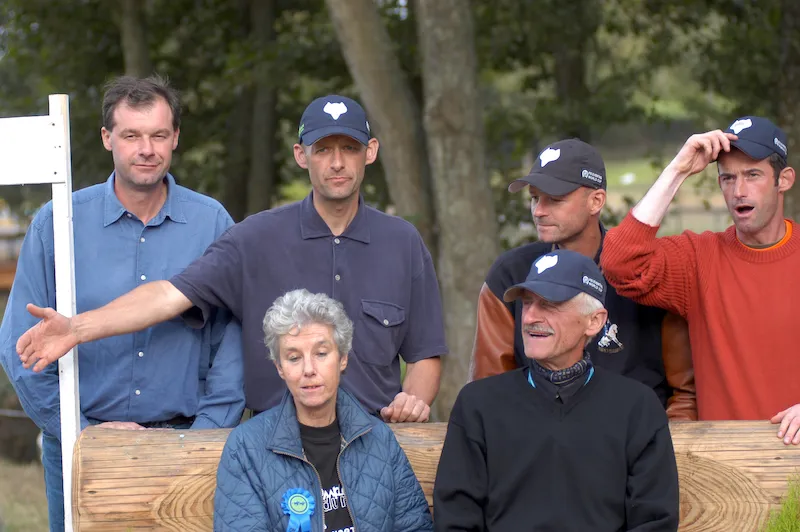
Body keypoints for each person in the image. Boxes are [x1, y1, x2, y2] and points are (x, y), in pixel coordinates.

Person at [15, 95, 446, 423]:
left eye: (349, 148)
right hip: (276, 453)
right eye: (323, 149)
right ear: (301, 155)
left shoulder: (403, 243)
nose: (337, 163)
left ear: (371, 151)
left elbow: (425, 353)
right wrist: (78, 328)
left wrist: (413, 402)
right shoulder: (254, 238)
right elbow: (168, 295)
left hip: (375, 444)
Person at [0, 75, 244, 532]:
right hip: (82, 446)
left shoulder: (212, 224)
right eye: (131, 135)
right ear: (107, 138)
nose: (146, 149)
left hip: (186, 443)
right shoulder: (58, 223)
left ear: (175, 138)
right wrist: (79, 430)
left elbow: (234, 341)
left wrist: (204, 435)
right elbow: (19, 346)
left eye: (158, 135)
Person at [434, 249, 679, 531]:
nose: (530, 317)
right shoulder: (478, 404)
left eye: (549, 305)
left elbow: (655, 521)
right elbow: (455, 520)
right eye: (527, 303)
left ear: (594, 321)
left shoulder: (637, 407)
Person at [600, 116, 800, 444]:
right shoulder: (698, 259)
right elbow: (620, 264)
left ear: (784, 180)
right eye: (727, 178)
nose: (738, 191)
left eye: (753, 175)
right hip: (722, 464)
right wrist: (677, 171)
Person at [470, 138, 696, 419]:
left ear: (596, 201)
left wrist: (660, 442)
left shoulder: (646, 270)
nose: (539, 211)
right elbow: (489, 389)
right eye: (534, 198)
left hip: (637, 438)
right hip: (537, 437)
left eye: (555, 199)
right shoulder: (511, 274)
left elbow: (685, 396)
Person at [214, 289, 433, 532]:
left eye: (321, 353)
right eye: (294, 358)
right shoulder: (245, 448)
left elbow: (415, 527)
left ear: (342, 358)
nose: (308, 369)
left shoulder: (380, 440)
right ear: (280, 368)